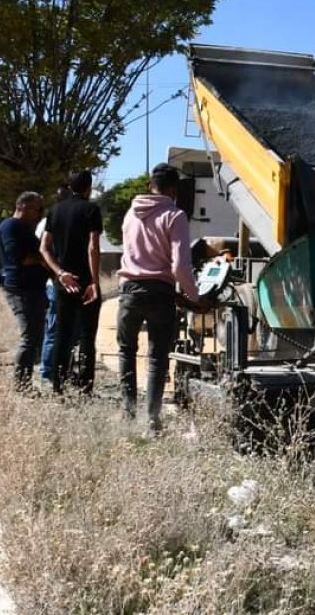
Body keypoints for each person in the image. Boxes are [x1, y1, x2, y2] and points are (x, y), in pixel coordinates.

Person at [116, 163, 210, 435]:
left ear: (150, 186)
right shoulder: (174, 215)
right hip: (160, 294)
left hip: (129, 291)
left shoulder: (129, 215)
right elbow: (181, 266)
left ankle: (127, 411)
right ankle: (152, 421)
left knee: (126, 351)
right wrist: (196, 297)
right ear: (173, 190)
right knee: (157, 357)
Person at [40, 170, 103, 395]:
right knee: (87, 336)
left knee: (62, 335)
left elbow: (44, 247)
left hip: (63, 283)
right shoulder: (91, 209)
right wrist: (94, 282)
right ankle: (85, 387)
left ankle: (58, 386)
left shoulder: (54, 210)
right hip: (86, 282)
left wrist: (59, 273)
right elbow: (93, 247)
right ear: (88, 187)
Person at [0, 191, 49, 389]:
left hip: (32, 289)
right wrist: (43, 261)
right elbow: (17, 258)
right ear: (24, 206)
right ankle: (21, 384)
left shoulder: (24, 228)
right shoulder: (11, 226)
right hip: (21, 290)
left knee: (35, 336)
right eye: (37, 208)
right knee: (29, 337)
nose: (39, 213)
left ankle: (26, 381)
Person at [37, 186, 75, 383]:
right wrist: (56, 274)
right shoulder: (48, 222)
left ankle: (59, 371)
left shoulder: (53, 219)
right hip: (56, 283)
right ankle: (47, 372)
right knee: (54, 329)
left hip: (61, 281)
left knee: (63, 330)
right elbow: (43, 253)